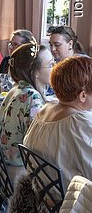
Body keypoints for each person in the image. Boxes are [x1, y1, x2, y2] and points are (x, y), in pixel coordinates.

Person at [24, 56, 92, 188]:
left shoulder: (45, 109)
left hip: (44, 192)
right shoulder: (79, 122)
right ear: (82, 95)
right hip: (72, 200)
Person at [0, 44, 54, 181]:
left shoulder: (17, 89)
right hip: (21, 176)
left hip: (4, 169)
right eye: (51, 64)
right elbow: (39, 143)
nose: (55, 68)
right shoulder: (32, 97)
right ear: (35, 72)